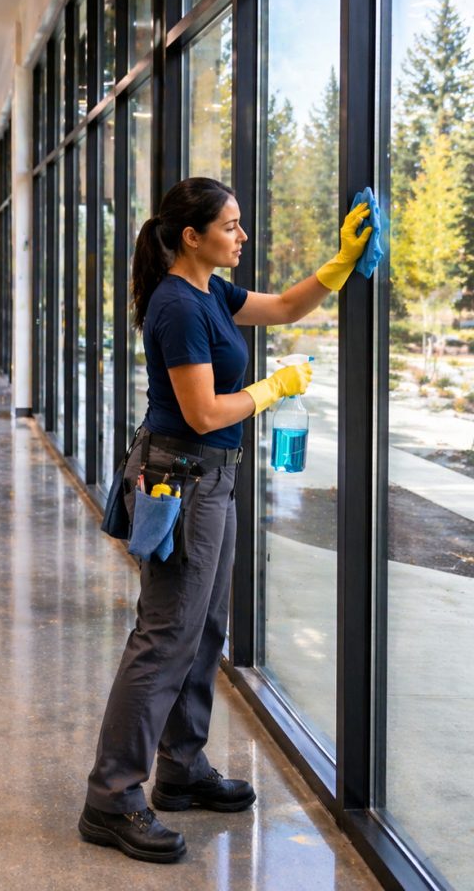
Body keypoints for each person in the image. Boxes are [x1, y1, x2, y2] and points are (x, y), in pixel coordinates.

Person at [79, 177, 372, 864]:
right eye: (232, 226)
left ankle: (180, 768)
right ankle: (111, 795)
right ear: (193, 236)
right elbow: (206, 412)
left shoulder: (211, 290)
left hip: (213, 478)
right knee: (164, 636)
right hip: (180, 479)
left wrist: (341, 261)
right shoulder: (178, 306)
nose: (242, 236)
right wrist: (270, 389)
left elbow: (290, 307)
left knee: (205, 627)